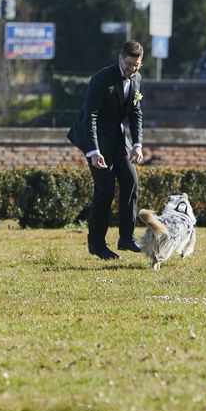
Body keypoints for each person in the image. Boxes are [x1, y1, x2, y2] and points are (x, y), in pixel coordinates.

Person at [67, 40, 145, 260]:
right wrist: (93, 151)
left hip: (117, 137)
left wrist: (137, 144)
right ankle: (97, 244)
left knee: (131, 180)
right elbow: (90, 116)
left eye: (136, 65)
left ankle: (126, 238)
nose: (132, 69)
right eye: (129, 64)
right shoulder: (101, 79)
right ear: (120, 59)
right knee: (105, 188)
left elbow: (135, 113)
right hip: (95, 138)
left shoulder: (137, 78)